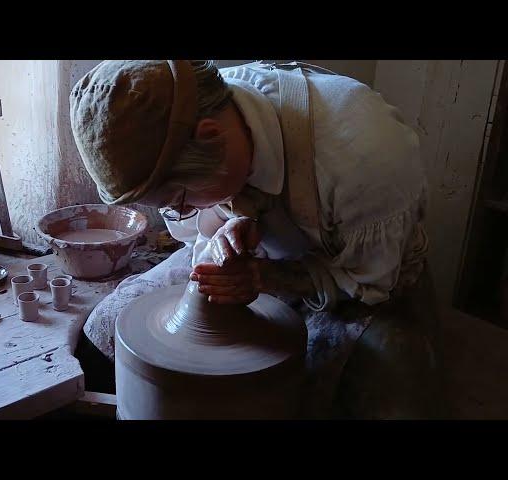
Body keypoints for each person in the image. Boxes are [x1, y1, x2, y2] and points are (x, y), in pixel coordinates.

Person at [69, 60, 445, 418]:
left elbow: (368, 279)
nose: (179, 211)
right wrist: (222, 227)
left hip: (359, 276)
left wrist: (270, 278)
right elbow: (201, 219)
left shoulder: (366, 156)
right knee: (103, 330)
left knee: (369, 391)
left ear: (212, 138)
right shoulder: (200, 113)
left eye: (179, 202)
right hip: (257, 250)